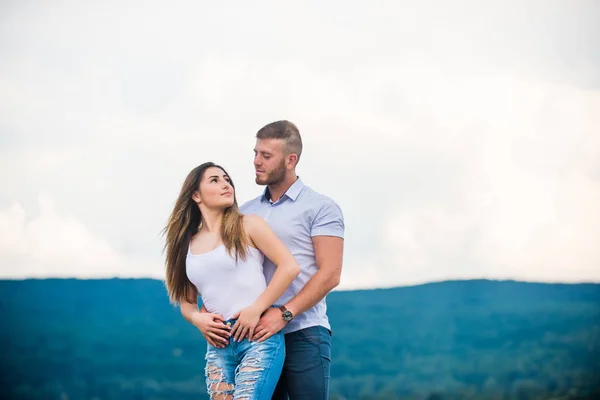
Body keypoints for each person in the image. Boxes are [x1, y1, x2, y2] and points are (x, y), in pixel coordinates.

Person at [163, 161, 300, 400]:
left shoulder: (248, 225)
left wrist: (256, 309)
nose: (226, 184)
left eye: (227, 179)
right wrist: (197, 318)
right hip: (218, 345)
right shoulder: (187, 244)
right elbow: (186, 301)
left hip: (257, 337)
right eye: (215, 180)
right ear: (196, 195)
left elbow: (289, 267)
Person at [241, 120, 345, 399]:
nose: (256, 162)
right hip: (256, 334)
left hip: (304, 331)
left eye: (266, 156)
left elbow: (331, 273)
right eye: (255, 153)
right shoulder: (243, 213)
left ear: (290, 160)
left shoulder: (321, 207)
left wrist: (284, 313)